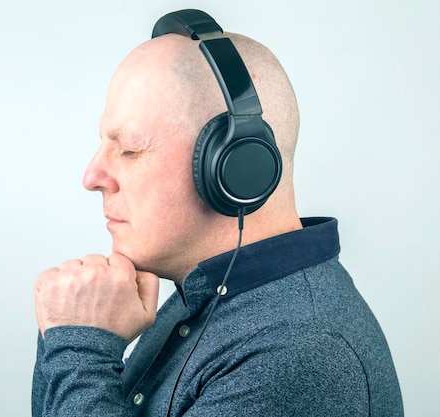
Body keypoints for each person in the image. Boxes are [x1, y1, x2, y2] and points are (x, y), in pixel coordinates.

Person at [32, 9, 403, 417]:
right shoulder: (212, 294)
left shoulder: (297, 353)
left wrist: (78, 347)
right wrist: (73, 335)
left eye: (130, 149)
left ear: (235, 167)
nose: (91, 176)